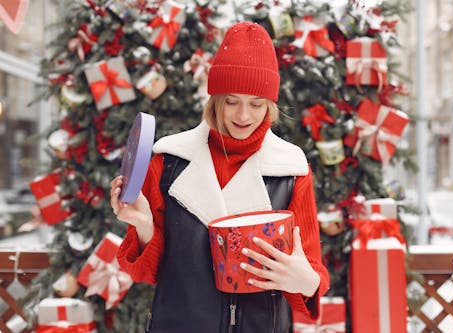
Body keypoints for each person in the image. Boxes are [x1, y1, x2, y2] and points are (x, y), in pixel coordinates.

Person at [110, 21, 329, 333]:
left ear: (270, 105)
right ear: (215, 99)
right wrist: (144, 226)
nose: (243, 116)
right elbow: (148, 273)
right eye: (232, 101)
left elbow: (310, 277)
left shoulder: (291, 169)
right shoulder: (169, 160)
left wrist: (304, 280)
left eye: (256, 104)